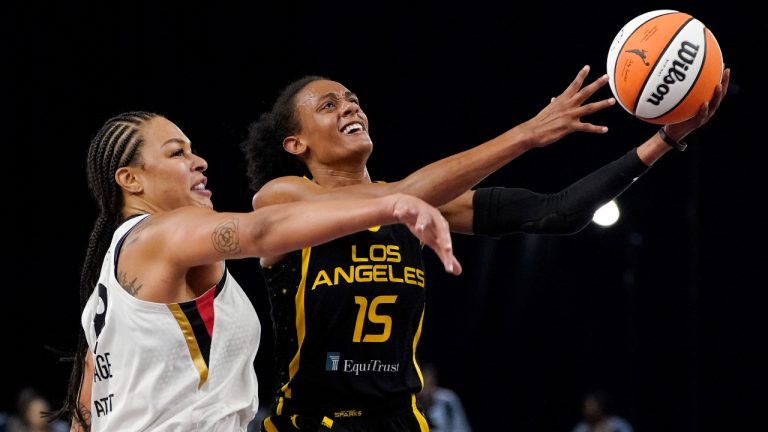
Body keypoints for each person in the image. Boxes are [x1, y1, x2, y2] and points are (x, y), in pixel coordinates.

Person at [239, 66, 730, 431]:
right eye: (329, 105)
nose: (350, 106)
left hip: (402, 420)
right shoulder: (282, 198)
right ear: (295, 145)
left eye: (353, 99)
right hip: (312, 422)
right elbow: (400, 196)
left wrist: (665, 140)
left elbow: (558, 211)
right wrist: (525, 135)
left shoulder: (414, 202)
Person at [54, 111, 461, 432]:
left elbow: (85, 415)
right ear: (130, 180)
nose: (199, 161)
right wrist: (390, 205)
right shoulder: (163, 232)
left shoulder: (111, 280)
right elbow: (261, 230)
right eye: (177, 153)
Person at [416, 364, 472, 432]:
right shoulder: (409, 405)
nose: (424, 392)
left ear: (434, 383)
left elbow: (462, 428)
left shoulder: (448, 400)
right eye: (421, 388)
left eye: (428, 385)